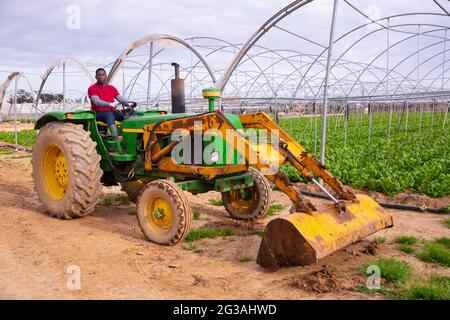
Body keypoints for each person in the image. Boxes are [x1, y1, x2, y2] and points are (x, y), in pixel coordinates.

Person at [88, 68, 135, 139]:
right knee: (109, 114)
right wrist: (110, 104)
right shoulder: (92, 89)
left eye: (103, 75)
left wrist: (128, 104)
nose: (101, 77)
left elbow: (121, 99)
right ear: (96, 77)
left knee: (131, 112)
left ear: (106, 76)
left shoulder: (111, 88)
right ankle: (115, 137)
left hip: (112, 112)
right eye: (99, 75)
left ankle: (131, 134)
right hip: (98, 114)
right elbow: (97, 102)